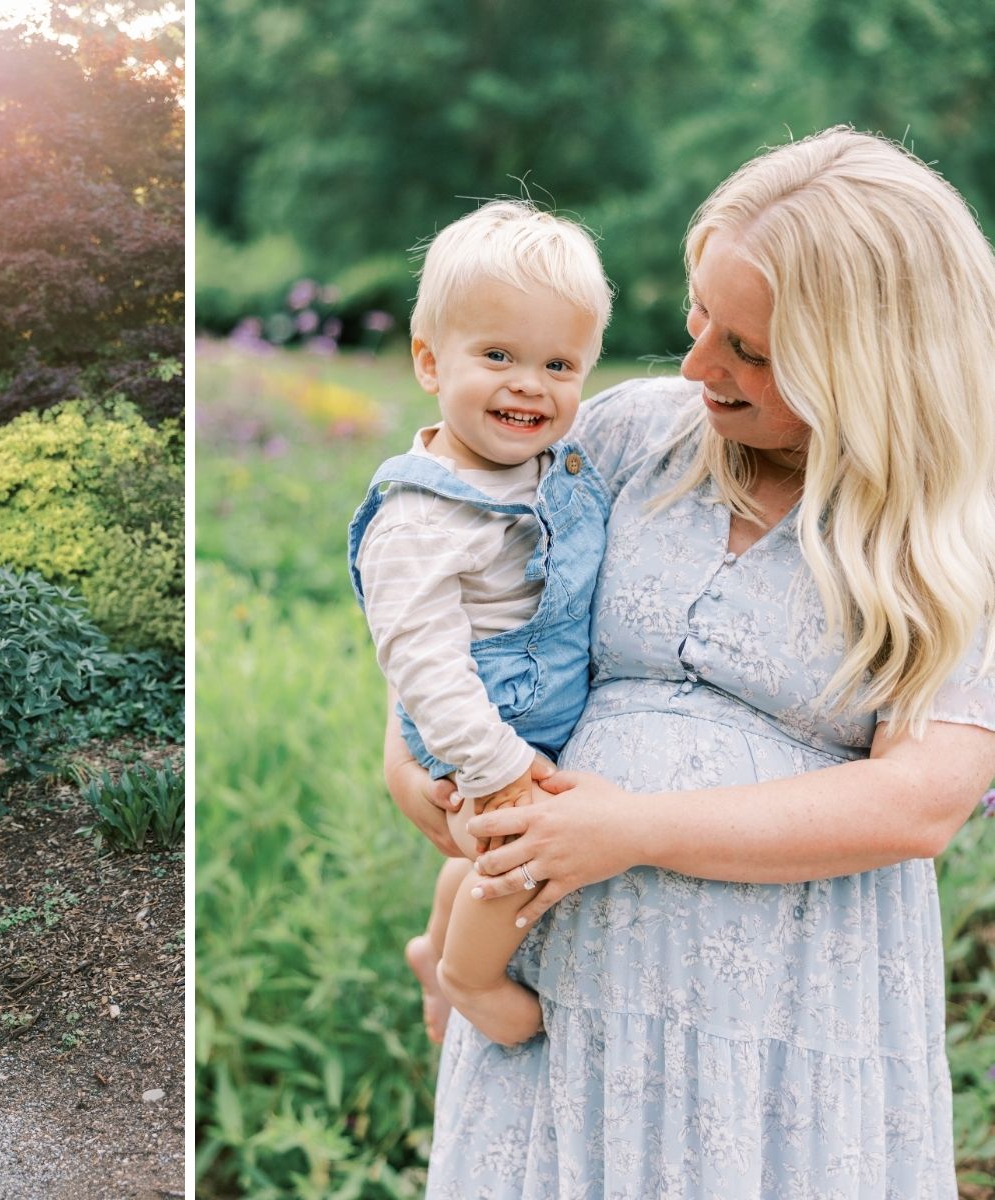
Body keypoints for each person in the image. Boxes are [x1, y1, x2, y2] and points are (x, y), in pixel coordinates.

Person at [385, 126, 995, 1197]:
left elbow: (919, 804)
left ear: (870, 364)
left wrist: (633, 830)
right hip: (558, 1012)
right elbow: (463, 618)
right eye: (695, 318)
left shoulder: (949, 540)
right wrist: (421, 778)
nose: (693, 365)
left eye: (747, 352)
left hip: (781, 1023)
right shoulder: (628, 439)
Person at [348, 201, 612, 1046]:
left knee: (474, 859)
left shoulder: (544, 469)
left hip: (530, 705)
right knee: (515, 852)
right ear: (429, 360)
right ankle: (469, 976)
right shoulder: (420, 519)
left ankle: (435, 947)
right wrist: (497, 768)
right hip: (483, 725)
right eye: (497, 355)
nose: (529, 383)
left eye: (559, 363)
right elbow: (421, 666)